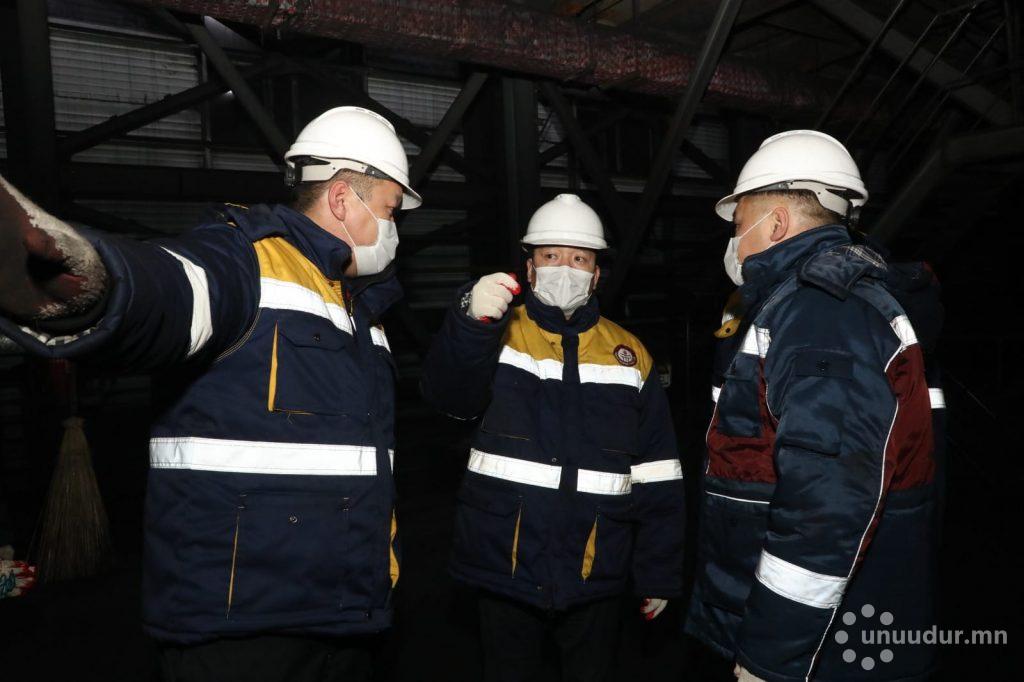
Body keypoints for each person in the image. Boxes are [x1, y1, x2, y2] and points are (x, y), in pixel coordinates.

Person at [0, 106, 420, 681]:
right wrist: (94, 283)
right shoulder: (244, 259)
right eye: (391, 210)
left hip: (346, 612)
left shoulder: (358, 309)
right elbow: (179, 288)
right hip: (243, 627)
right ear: (344, 199)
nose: (394, 230)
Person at [684, 130, 940, 682]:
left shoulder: (822, 311)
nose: (735, 242)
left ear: (776, 223)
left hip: (827, 642)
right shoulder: (806, 304)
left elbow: (827, 506)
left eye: (739, 224)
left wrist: (771, 652)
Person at [421, 194, 686, 682]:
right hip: (503, 563)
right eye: (551, 255)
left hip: (595, 567)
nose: (565, 268)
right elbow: (448, 397)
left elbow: (658, 471)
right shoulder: (497, 333)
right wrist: (470, 323)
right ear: (530, 267)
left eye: (580, 258)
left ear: (597, 274)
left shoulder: (630, 353)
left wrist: (658, 570)